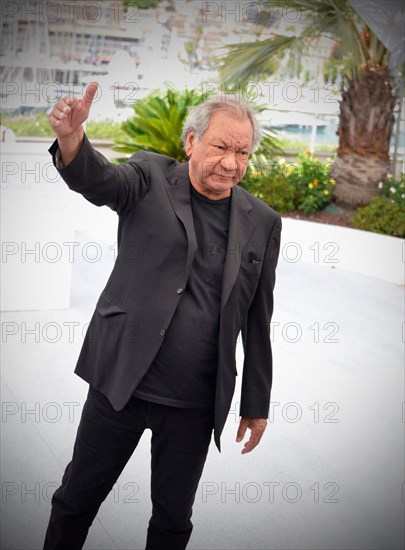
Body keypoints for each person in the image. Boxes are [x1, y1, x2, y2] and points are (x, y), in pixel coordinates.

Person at [43, 82, 282, 550]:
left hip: (194, 403)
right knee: (76, 500)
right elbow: (100, 180)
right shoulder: (149, 175)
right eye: (220, 147)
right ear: (191, 141)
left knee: (173, 522)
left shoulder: (263, 221)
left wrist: (256, 403)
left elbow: (258, 317)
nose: (231, 163)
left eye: (242, 152)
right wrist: (72, 139)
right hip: (121, 384)